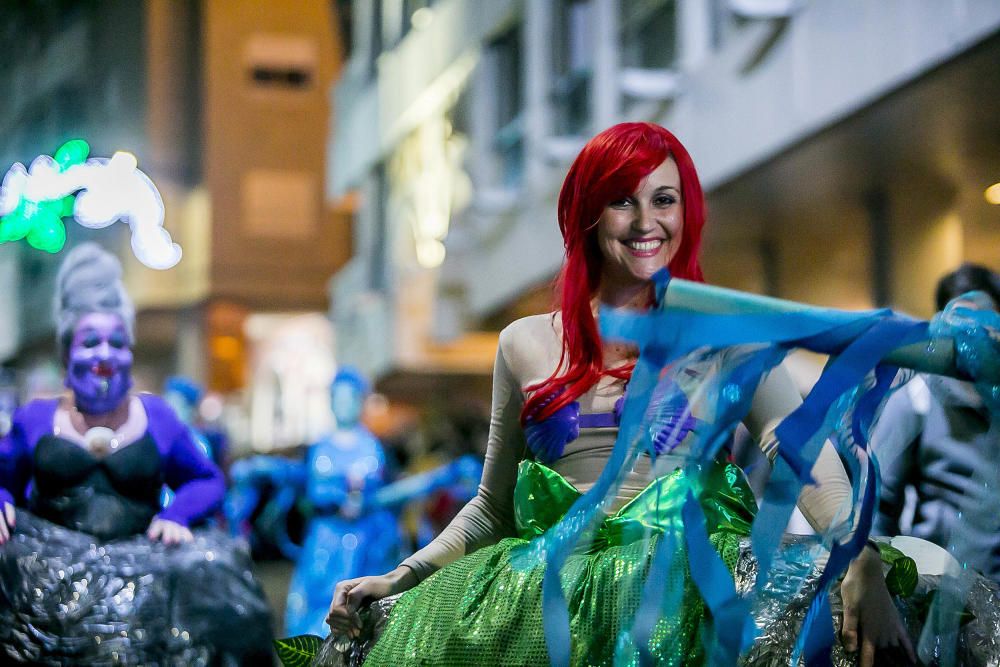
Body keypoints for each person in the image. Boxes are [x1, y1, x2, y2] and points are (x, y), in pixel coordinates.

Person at [324, 123, 916, 666]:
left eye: (664, 199)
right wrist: (401, 575)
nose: (644, 222)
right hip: (544, 606)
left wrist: (857, 557)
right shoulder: (522, 344)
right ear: (587, 214)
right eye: (622, 200)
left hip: (687, 603)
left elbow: (804, 455)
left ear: (687, 215)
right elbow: (492, 508)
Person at [0, 242, 273, 665]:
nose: (104, 356)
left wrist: (176, 515)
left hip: (138, 568)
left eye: (117, 343)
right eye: (90, 343)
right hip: (45, 570)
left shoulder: (158, 416)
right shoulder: (35, 418)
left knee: (220, 563)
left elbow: (207, 479)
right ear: (67, 352)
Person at [873, 263, 1000, 581]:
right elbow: (876, 508)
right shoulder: (916, 399)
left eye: (987, 322)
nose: (975, 336)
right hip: (944, 594)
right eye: (962, 322)